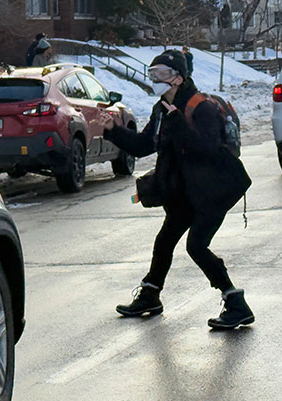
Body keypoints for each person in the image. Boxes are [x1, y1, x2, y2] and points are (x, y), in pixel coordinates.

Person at [103, 50, 254, 329]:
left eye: (161, 74)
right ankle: (150, 295)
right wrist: (114, 132)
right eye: (152, 74)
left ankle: (236, 303)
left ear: (178, 78)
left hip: (212, 191)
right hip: (185, 193)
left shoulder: (201, 107)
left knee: (196, 246)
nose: (155, 80)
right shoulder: (161, 110)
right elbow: (146, 144)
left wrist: (179, 125)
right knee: (164, 242)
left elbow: (208, 148)